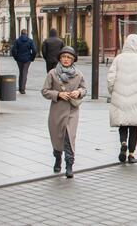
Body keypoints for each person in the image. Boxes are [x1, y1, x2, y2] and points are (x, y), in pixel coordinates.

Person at [107, 34, 137, 164]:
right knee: (134, 126)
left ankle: (123, 142)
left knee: (122, 124)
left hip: (119, 97)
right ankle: (131, 154)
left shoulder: (118, 59)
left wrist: (112, 91)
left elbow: (110, 79)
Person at [41, 46, 86, 178]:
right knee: (57, 137)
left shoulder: (78, 74)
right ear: (60, 59)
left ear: (73, 60)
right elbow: (44, 91)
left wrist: (78, 92)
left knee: (69, 138)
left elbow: (84, 89)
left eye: (69, 58)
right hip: (57, 111)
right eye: (63, 57)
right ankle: (57, 158)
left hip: (72, 111)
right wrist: (58, 94)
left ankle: (69, 165)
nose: (66, 60)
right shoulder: (52, 73)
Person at [10, 29, 37, 94]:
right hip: (27, 59)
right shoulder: (30, 41)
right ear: (26, 33)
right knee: (24, 73)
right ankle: (22, 89)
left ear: (21, 33)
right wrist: (32, 58)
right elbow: (34, 50)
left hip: (19, 59)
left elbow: (13, 50)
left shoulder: (17, 41)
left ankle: (20, 88)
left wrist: (15, 57)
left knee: (21, 72)